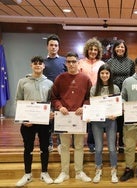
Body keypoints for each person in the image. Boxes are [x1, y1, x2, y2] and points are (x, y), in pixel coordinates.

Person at [52, 52, 92, 184]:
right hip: (64, 117)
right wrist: (59, 107)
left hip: (79, 117)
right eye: (68, 61)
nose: (71, 64)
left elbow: (89, 98)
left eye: (73, 61)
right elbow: (54, 97)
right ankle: (64, 172)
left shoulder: (85, 79)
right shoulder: (60, 78)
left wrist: (84, 107)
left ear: (78, 63)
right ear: (65, 63)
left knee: (79, 145)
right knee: (64, 146)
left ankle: (79, 172)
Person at [15, 56, 54, 186]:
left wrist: (50, 113)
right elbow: (18, 101)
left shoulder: (49, 83)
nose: (37, 66)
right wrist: (22, 119)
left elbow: (51, 102)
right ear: (31, 65)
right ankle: (27, 174)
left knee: (44, 147)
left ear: (44, 66)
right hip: (28, 122)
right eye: (35, 64)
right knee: (28, 148)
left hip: (43, 122)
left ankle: (44, 173)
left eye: (40, 64)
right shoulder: (22, 82)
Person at [90, 64, 120, 183]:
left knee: (112, 148)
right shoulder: (94, 88)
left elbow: (118, 105)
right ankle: (98, 168)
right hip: (97, 122)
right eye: (102, 73)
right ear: (99, 74)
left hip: (111, 121)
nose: (104, 75)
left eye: (107, 73)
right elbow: (92, 106)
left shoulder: (116, 88)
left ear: (110, 75)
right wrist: (89, 115)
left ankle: (113, 170)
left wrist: (116, 114)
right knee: (98, 148)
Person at [106, 39, 135, 153]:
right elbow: (106, 77)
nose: (120, 49)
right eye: (118, 47)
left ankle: (122, 144)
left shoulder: (130, 62)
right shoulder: (109, 62)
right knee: (113, 119)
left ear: (125, 49)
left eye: (122, 47)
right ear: (114, 49)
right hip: (113, 93)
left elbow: (133, 78)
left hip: (126, 94)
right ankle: (113, 144)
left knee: (123, 120)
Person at [79, 37, 105, 153]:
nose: (93, 51)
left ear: (98, 51)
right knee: (85, 118)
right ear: (87, 50)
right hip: (84, 94)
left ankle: (92, 142)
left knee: (95, 119)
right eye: (90, 49)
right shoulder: (81, 63)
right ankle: (78, 142)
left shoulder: (102, 64)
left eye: (95, 49)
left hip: (98, 95)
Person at [43, 34, 67, 153]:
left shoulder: (64, 61)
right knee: (48, 120)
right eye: (51, 45)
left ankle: (60, 144)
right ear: (47, 46)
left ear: (58, 47)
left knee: (59, 120)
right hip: (46, 96)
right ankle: (49, 143)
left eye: (56, 45)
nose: (53, 47)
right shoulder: (42, 62)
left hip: (60, 97)